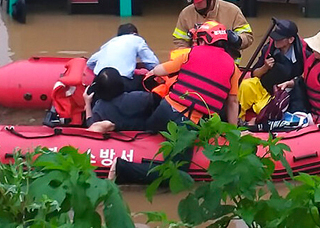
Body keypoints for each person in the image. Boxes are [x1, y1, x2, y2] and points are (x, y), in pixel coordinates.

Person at [110, 20, 240, 184]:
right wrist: (233, 133)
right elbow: (233, 102)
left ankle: (115, 127)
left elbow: (159, 70)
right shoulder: (233, 67)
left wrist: (153, 73)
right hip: (187, 124)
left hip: (165, 109)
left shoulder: (190, 54)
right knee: (175, 173)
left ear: (205, 39)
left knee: (148, 127)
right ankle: (122, 167)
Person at [238, 19, 307, 118]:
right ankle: (239, 116)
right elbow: (254, 74)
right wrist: (264, 68)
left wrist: (290, 83)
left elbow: (305, 80)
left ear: (290, 40)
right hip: (264, 86)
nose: (275, 40)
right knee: (245, 85)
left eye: (280, 38)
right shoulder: (268, 48)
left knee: (267, 110)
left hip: (282, 94)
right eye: (275, 37)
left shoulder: (302, 55)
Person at [172, 0, 253, 56]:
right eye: (193, 1)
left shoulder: (232, 11)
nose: (196, 5)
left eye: (199, 1)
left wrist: (236, 39)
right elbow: (180, 41)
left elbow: (248, 37)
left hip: (227, 64)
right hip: (198, 63)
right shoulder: (186, 14)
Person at [86, 23, 159, 92]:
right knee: (148, 81)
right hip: (121, 83)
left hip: (99, 81)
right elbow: (153, 63)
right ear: (135, 34)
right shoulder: (137, 39)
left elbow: (90, 63)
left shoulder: (110, 43)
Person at [84, 68, 160, 132]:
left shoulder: (99, 108)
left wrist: (87, 103)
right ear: (121, 83)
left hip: (117, 140)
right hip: (143, 134)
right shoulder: (140, 97)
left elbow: (91, 125)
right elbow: (158, 99)